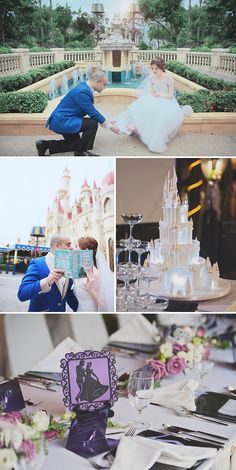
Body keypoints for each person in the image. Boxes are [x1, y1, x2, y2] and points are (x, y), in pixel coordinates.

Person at [36, 70, 119, 157]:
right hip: (63, 121)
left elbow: (90, 109)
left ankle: (44, 145)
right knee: (92, 124)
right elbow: (92, 112)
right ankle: (80, 152)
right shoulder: (82, 92)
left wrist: (107, 121)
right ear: (97, 82)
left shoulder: (85, 87)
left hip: (64, 119)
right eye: (104, 84)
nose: (105, 87)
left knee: (75, 144)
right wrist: (110, 126)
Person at [113, 58, 188, 153]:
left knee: (158, 113)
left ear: (161, 68)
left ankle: (136, 126)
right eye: (152, 68)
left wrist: (159, 95)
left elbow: (170, 95)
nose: (153, 71)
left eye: (156, 69)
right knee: (140, 105)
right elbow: (152, 91)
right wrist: (154, 96)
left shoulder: (169, 78)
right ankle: (133, 126)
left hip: (167, 101)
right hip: (155, 98)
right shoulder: (151, 77)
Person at [17, 233, 78, 312]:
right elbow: (22, 294)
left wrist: (82, 310)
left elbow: (68, 293)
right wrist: (47, 281)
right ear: (57, 246)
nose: (72, 248)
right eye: (68, 245)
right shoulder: (37, 263)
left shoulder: (68, 265)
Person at [73, 236, 114, 312]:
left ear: (86, 250)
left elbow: (104, 307)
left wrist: (90, 289)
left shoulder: (95, 274)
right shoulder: (79, 270)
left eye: (76, 246)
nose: (74, 249)